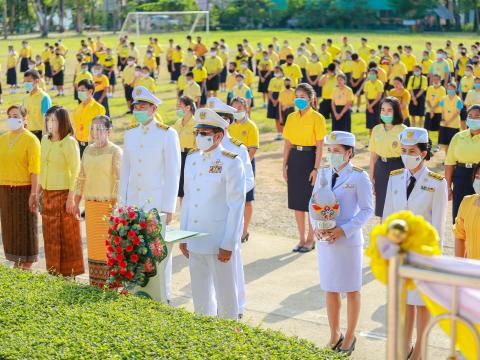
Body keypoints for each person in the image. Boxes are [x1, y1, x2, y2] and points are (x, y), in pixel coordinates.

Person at [383, 127, 448, 360]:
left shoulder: (436, 182)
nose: (407, 155)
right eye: (403, 150)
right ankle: (406, 347)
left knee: (421, 305)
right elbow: (388, 217)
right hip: (400, 254)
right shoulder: (395, 177)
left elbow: (438, 227)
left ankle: (420, 351)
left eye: (412, 151)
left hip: (423, 256)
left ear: (423, 153)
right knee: (404, 303)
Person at [179, 107, 245, 320]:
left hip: (219, 242)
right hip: (195, 238)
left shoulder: (231, 161)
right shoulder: (191, 159)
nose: (199, 138)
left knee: (226, 300)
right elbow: (188, 199)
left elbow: (236, 206)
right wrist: (184, 235)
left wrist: (229, 243)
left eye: (205, 134)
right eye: (197, 133)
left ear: (219, 136)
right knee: (201, 298)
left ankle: (229, 341)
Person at [311, 131, 373, 356]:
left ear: (349, 152)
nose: (332, 154)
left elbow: (367, 210)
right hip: (325, 239)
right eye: (330, 150)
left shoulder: (359, 176)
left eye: (337, 151)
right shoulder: (324, 172)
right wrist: (316, 227)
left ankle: (349, 335)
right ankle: (334, 334)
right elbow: (314, 201)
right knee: (330, 288)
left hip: (347, 241)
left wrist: (342, 230)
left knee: (351, 288)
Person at [119, 86, 181, 302]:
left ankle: (163, 297)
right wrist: (122, 204)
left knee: (158, 252)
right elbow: (125, 172)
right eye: (136, 106)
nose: (138, 110)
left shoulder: (167, 134)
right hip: (134, 204)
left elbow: (174, 172)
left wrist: (169, 207)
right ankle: (135, 292)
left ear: (154, 109)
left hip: (156, 204)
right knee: (133, 249)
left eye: (143, 106)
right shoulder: (130, 134)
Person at [74, 115, 122, 287]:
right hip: (91, 206)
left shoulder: (115, 151)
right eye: (93, 128)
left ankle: (111, 285)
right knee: (94, 247)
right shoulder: (87, 150)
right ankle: (95, 283)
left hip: (108, 207)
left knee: (108, 248)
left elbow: (119, 181)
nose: (96, 132)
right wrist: (76, 201)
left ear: (109, 131)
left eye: (100, 128)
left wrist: (115, 207)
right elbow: (82, 177)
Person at [40, 106, 84, 277]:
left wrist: (71, 198)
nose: (50, 124)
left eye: (54, 120)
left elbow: (76, 171)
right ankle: (53, 272)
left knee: (67, 235)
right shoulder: (44, 140)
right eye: (48, 120)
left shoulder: (69, 142)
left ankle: (69, 274)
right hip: (47, 194)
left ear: (62, 122)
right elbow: (42, 166)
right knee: (50, 236)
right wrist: (38, 192)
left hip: (65, 194)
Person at [283, 83, 327, 252]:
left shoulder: (318, 118)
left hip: (309, 159)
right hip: (294, 158)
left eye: (302, 97)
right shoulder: (291, 117)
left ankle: (311, 238)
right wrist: (284, 166)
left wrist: (315, 169)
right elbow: (287, 144)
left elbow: (320, 146)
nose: (299, 100)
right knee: (296, 202)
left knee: (309, 202)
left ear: (311, 98)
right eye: (297, 97)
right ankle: (301, 239)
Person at [0, 105, 41, 269]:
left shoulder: (31, 140)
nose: (11, 118)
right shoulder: (3, 139)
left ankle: (26, 266)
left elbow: (35, 170)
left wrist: (33, 193)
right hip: (5, 190)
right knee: (10, 228)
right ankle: (16, 265)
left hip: (24, 190)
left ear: (25, 119)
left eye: (15, 115)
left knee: (25, 229)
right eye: (9, 115)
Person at [369, 97, 407, 217]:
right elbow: (373, 155)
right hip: (381, 168)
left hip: (398, 168)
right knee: (382, 206)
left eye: (389, 110)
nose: (385, 113)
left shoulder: (403, 130)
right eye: (383, 110)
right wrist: (371, 178)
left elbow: (407, 157)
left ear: (396, 111)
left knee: (397, 206)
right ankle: (384, 233)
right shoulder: (376, 129)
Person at [230, 96, 260, 242]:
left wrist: (241, 165)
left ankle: (244, 230)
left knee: (247, 200)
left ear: (246, 109)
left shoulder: (251, 126)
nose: (237, 111)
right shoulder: (229, 125)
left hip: (245, 166)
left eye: (239, 108)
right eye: (234, 108)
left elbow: (252, 150)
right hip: (230, 167)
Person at [445, 104, 480, 223]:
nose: (473, 119)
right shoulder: (458, 137)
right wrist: (448, 187)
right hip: (460, 176)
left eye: (477, 117)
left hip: (478, 176)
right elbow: (449, 163)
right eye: (470, 116)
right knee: (459, 216)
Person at [73, 79, 106, 157]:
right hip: (78, 143)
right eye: (79, 90)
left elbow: (101, 131)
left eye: (82, 90)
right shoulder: (78, 108)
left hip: (92, 145)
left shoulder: (98, 108)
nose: (80, 93)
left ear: (90, 91)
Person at [172, 96, 197, 201]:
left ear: (188, 108)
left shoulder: (196, 124)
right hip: (178, 155)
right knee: (181, 189)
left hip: (191, 156)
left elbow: (198, 144)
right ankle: (183, 214)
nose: (178, 108)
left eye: (180, 106)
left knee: (191, 187)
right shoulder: (177, 123)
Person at [454, 164, 480, 259]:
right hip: (471, 269)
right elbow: (459, 236)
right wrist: (459, 266)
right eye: (477, 177)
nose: (478, 180)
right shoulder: (467, 201)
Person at [22, 69, 52, 142]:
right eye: (25, 81)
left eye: (29, 81)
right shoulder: (25, 98)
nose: (26, 84)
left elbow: (47, 119)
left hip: (40, 134)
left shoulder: (44, 97)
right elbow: (24, 117)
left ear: (37, 81)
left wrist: (45, 137)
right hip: (28, 133)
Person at [439, 82, 463, 156]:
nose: (449, 90)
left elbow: (457, 112)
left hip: (454, 125)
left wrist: (449, 121)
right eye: (448, 88)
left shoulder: (458, 100)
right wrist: (443, 119)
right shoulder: (444, 98)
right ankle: (447, 158)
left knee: (452, 143)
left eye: (451, 88)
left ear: (455, 89)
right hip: (444, 124)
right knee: (446, 143)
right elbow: (442, 110)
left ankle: (453, 158)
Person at [424, 74, 446, 151]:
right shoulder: (430, 88)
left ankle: (437, 145)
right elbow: (427, 99)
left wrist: (433, 110)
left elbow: (441, 101)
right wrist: (431, 109)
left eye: (437, 79)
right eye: (434, 79)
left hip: (438, 112)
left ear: (440, 80)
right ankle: (427, 144)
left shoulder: (442, 89)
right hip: (429, 111)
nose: (435, 81)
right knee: (427, 128)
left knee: (438, 129)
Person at [363, 68, 384, 136]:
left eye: (373, 74)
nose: (371, 75)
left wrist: (371, 106)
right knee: (370, 124)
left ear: (376, 75)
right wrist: (368, 105)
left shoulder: (379, 83)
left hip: (376, 104)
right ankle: (370, 140)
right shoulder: (367, 84)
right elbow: (366, 96)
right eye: (370, 74)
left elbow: (379, 97)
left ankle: (378, 141)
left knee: (377, 123)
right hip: (368, 103)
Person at [267, 66, 284, 139]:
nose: (276, 73)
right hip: (273, 98)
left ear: (282, 72)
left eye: (278, 71)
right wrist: (273, 100)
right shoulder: (272, 80)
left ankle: (284, 132)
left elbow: (282, 92)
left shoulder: (284, 80)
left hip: (281, 99)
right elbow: (269, 91)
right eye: (275, 71)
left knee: (281, 117)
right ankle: (279, 133)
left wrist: (277, 100)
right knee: (276, 118)